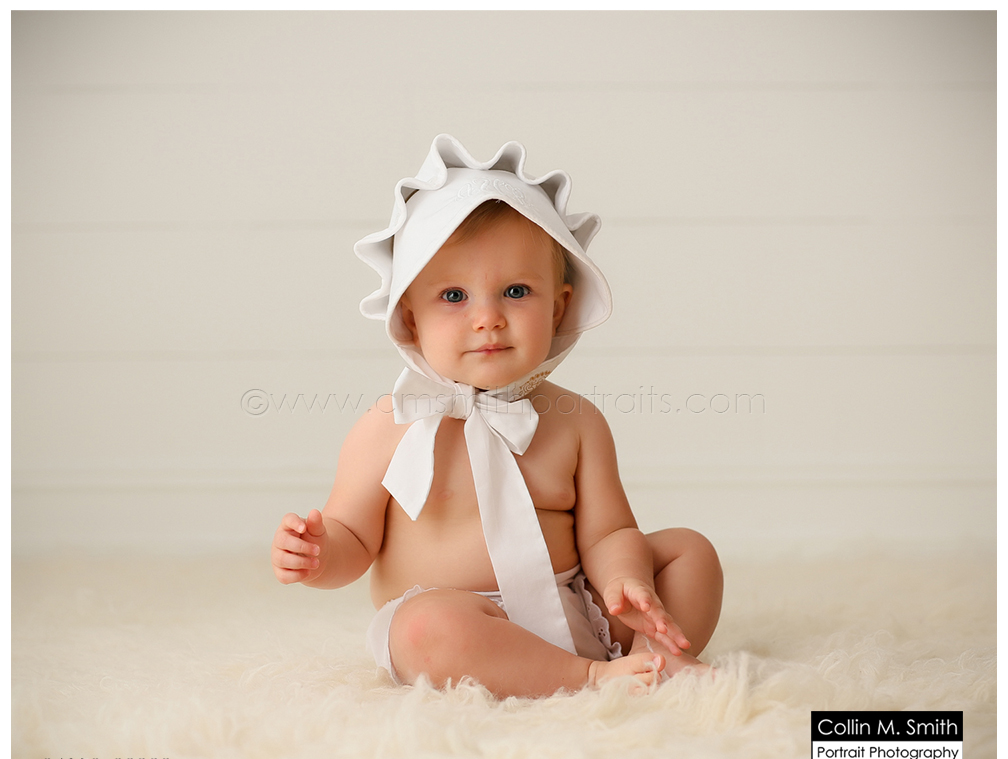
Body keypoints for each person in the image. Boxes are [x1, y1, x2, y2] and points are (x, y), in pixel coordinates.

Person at [271, 135, 723, 698]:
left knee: (689, 551)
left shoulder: (576, 422)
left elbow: (609, 532)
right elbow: (353, 537)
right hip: (463, 624)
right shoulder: (388, 424)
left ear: (558, 307)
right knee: (422, 629)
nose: (487, 318)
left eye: (515, 291)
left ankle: (651, 657)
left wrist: (624, 578)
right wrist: (319, 555)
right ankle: (589, 677)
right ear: (409, 318)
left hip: (574, 603)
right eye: (454, 296)